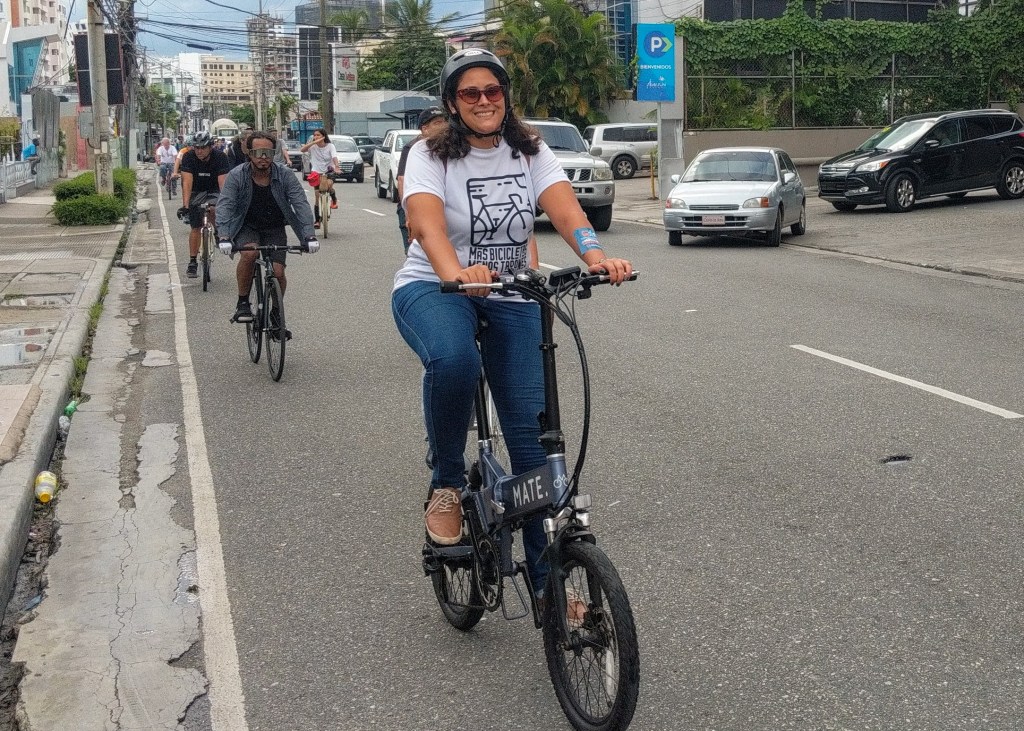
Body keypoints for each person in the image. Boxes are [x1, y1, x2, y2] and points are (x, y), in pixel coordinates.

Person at [392, 48, 632, 596]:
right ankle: (447, 483)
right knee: (454, 360)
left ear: (506, 97)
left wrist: (595, 256)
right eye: (470, 93)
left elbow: (567, 211)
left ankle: (553, 593)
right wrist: (458, 274)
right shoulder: (430, 154)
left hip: (513, 293)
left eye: (492, 91)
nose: (483, 101)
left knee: (534, 450)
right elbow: (425, 226)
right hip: (434, 286)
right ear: (452, 103)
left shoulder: (529, 150)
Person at [216, 131, 319, 329]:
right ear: (249, 153)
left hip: (274, 227)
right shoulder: (237, 175)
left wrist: (309, 235)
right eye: (258, 152)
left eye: (268, 153)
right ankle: (243, 302)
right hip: (246, 226)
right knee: (250, 253)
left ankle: (275, 313)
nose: (263, 158)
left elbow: (300, 203)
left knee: (278, 272)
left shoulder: (285, 174)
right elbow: (225, 206)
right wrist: (224, 236)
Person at [176, 131, 230, 278]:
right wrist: (185, 206)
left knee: (214, 209)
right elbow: (187, 182)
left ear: (210, 147)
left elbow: (223, 183)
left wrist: (226, 205)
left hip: (214, 190)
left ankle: (218, 232)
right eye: (196, 147)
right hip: (196, 190)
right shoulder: (188, 157)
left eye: (203, 148)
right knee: (195, 227)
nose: (199, 151)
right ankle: (192, 262)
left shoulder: (220, 157)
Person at [396, 107, 447, 253]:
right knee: (415, 249)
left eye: (444, 121)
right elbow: (402, 179)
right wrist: (409, 213)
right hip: (413, 205)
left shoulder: (449, 146)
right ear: (424, 129)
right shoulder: (412, 148)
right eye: (438, 123)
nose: (443, 126)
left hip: (439, 203)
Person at [300, 128, 338, 228]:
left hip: (328, 171)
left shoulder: (330, 146)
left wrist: (337, 167)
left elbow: (334, 157)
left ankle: (334, 199)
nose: (316, 137)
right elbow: (302, 150)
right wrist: (313, 143)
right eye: (315, 135)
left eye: (318, 135)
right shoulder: (313, 147)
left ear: (324, 136)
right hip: (316, 172)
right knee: (317, 196)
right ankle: (317, 221)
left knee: (329, 186)